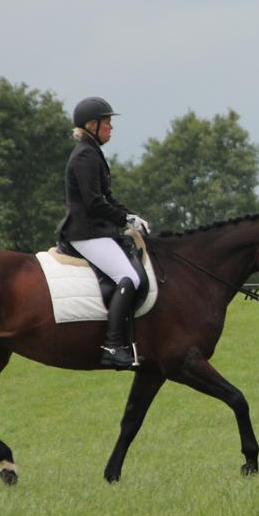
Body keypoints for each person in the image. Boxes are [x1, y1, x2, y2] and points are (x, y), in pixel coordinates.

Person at [57, 96, 150, 370]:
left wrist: (131, 215)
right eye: (107, 123)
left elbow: (107, 197)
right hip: (86, 234)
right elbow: (94, 202)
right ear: (91, 125)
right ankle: (112, 345)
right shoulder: (85, 155)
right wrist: (123, 218)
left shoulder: (93, 152)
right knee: (129, 277)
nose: (111, 128)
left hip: (98, 231)